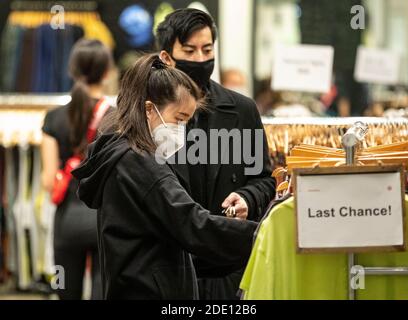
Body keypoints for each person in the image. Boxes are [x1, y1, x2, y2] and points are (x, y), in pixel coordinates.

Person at [72, 54, 257, 300]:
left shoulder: (122, 153)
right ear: (150, 109)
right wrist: (260, 235)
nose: (181, 130)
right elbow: (191, 222)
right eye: (178, 119)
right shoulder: (138, 162)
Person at [156, 8, 276, 300]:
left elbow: (264, 178)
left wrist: (248, 198)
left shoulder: (242, 110)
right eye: (189, 50)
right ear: (167, 58)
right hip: (169, 269)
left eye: (207, 49)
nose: (199, 59)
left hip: (229, 270)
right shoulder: (152, 114)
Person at [41, 39, 113, 300]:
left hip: (66, 226)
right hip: (105, 223)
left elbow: (48, 180)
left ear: (72, 71)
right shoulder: (117, 118)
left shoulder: (53, 118)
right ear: (107, 72)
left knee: (64, 292)